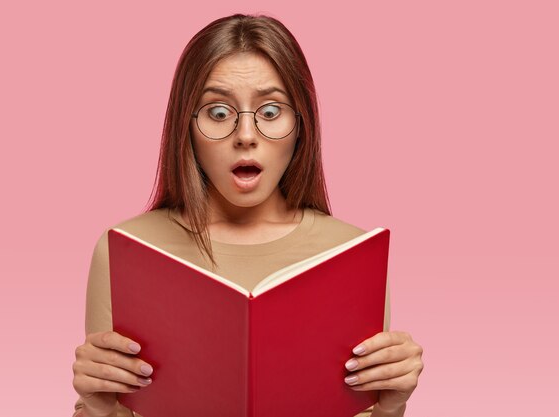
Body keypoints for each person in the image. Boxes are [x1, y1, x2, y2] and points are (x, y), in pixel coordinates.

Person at [71, 13, 423, 417]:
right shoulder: (126, 250)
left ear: (301, 125)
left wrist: (391, 407)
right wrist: (98, 405)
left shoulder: (352, 253)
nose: (246, 135)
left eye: (271, 111)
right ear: (186, 127)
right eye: (218, 113)